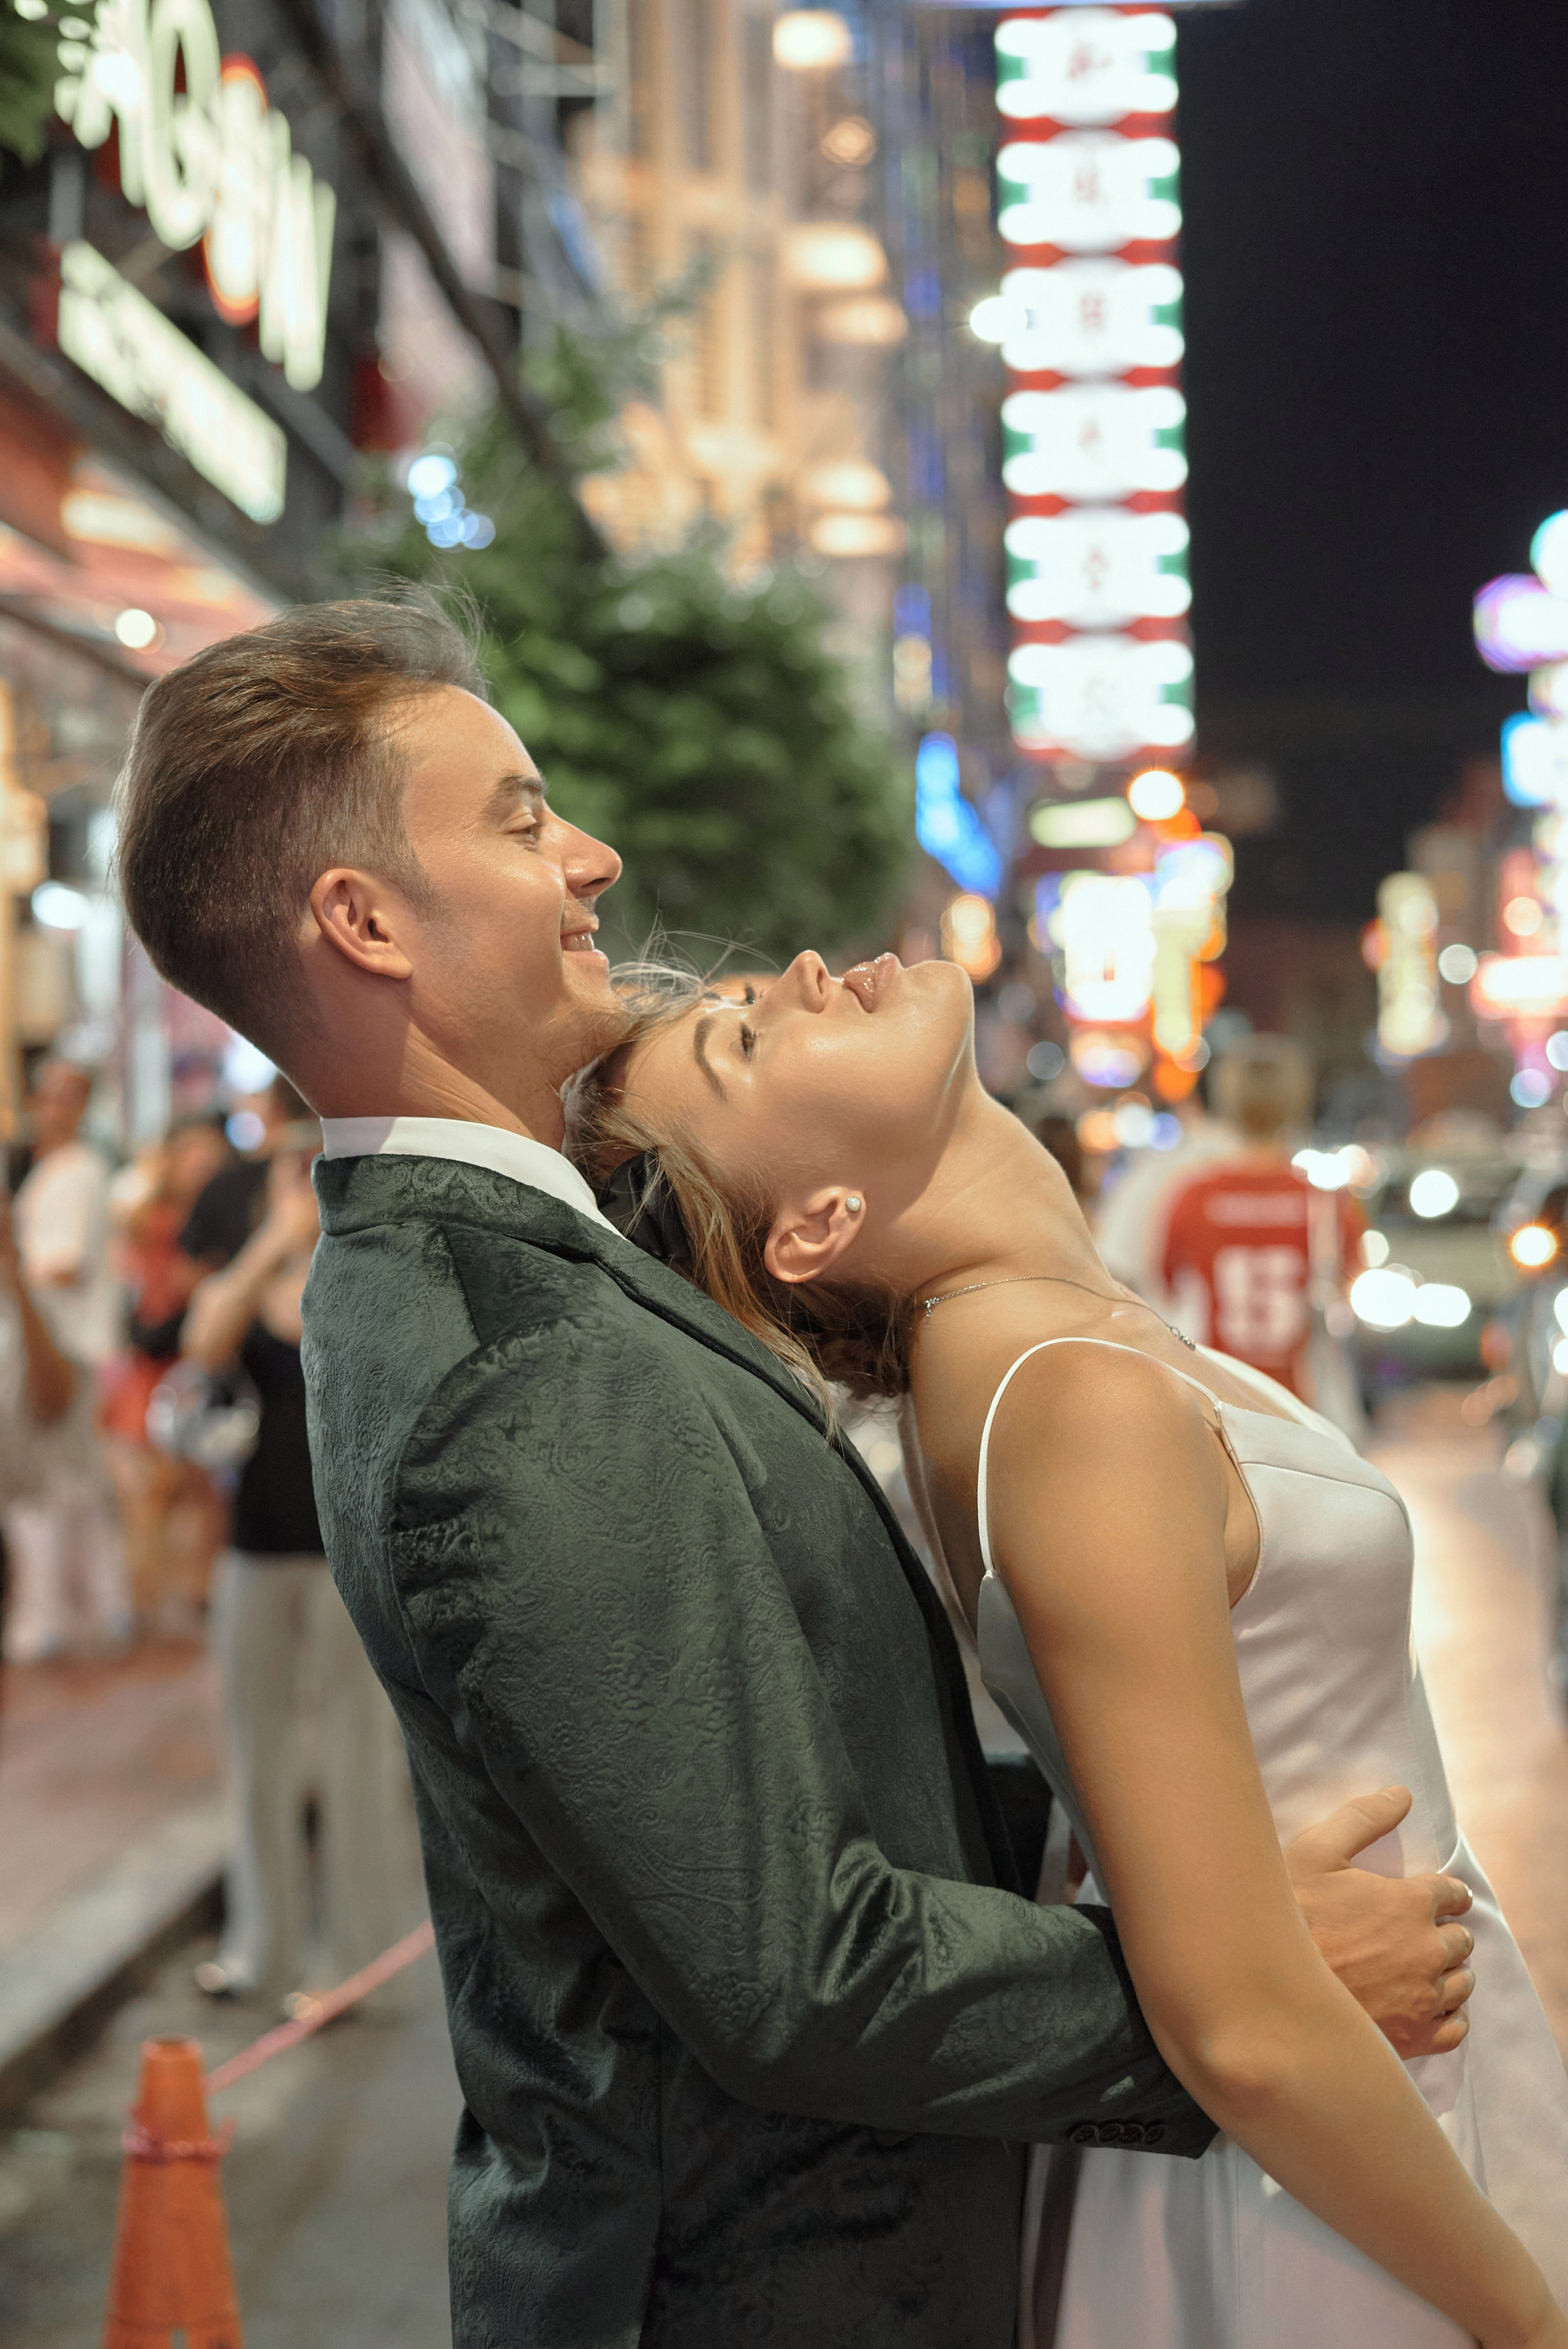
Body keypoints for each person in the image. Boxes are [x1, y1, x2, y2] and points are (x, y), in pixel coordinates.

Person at [111, 597, 1483, 2348]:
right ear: (365, 921)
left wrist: (1201, 1895)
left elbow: (801, 1776)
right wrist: (1239, 1991)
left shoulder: (518, 1290)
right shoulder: (507, 1361)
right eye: (523, 821)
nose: (591, 856)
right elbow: (794, 1966)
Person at [565, 949, 1568, 2349]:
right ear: (814, 1221)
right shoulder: (1068, 1400)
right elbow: (1239, 2021)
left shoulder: (1038, 1349)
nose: (794, 971)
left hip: (1350, 2095)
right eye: (742, 1040)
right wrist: (1524, 2310)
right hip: (1325, 2173)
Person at [179, 1141, 404, 2008]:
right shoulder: (258, 1269)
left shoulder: (358, 1269)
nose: (295, 1184)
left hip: (343, 1550)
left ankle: (351, 1960)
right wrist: (273, 1238)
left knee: (356, 1753)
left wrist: (316, 1241)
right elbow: (203, 1343)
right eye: (282, 1175)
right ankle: (258, 1947)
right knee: (255, 1751)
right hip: (254, 1548)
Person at [1159, 1034, 1365, 1413]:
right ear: (1298, 1103)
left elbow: (1166, 1287)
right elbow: (1350, 1288)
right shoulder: (1325, 1203)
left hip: (1219, 1400)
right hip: (1301, 1405)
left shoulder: (1194, 1196)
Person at [1, 1058, 129, 1661]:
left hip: (60, 1344)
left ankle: (50, 1615)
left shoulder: (78, 1170)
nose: (54, 1109)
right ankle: (103, 1606)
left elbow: (66, 1261)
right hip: (44, 1339)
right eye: (48, 1097)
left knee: (47, 1485)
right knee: (72, 1482)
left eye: (67, 1098)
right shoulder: (50, 1170)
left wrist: (14, 1268)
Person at [103, 1114, 233, 1634]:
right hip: (156, 1367)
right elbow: (151, 1289)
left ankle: (187, 1592)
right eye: (192, 1156)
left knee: (199, 1489)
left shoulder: (197, 1221)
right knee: (152, 1489)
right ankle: (146, 1597)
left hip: (192, 1365)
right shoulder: (154, 1221)